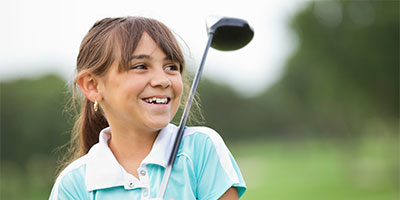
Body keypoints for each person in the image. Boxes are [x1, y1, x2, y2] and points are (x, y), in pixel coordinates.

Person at [49, 16, 246, 200]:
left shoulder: (200, 148)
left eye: (171, 67)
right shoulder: (72, 184)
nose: (163, 80)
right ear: (93, 86)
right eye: (140, 66)